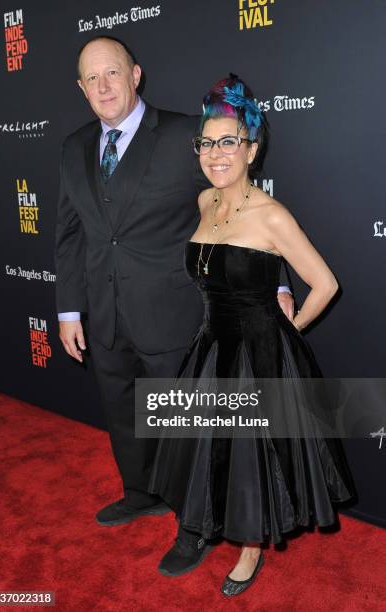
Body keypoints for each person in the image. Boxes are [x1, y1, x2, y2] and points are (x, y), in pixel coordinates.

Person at [55, 38, 294, 534]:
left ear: (135, 74)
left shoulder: (187, 134)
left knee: (185, 428)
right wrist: (69, 311)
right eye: (92, 78)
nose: (104, 86)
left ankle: (196, 524)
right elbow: (70, 234)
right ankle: (141, 494)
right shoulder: (73, 147)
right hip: (104, 314)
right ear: (81, 87)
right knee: (124, 414)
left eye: (113, 73)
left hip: (173, 312)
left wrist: (274, 284)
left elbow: (240, 202)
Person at [149, 75, 356, 596]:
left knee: (251, 455)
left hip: (259, 353)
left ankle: (249, 546)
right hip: (210, 344)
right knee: (210, 446)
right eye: (207, 142)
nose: (216, 153)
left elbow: (325, 283)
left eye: (229, 142)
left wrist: (290, 330)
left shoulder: (272, 215)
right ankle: (205, 524)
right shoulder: (204, 203)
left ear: (252, 149)